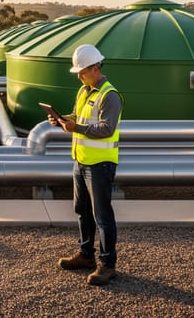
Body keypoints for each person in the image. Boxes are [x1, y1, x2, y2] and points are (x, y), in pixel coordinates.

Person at [47, 44, 123, 286]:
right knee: (82, 210)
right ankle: (86, 255)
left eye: (82, 71)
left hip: (100, 164)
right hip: (80, 161)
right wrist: (61, 120)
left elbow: (106, 128)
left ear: (95, 68)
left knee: (102, 215)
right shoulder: (84, 91)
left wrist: (76, 128)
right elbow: (77, 117)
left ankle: (107, 265)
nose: (78, 75)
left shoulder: (110, 95)